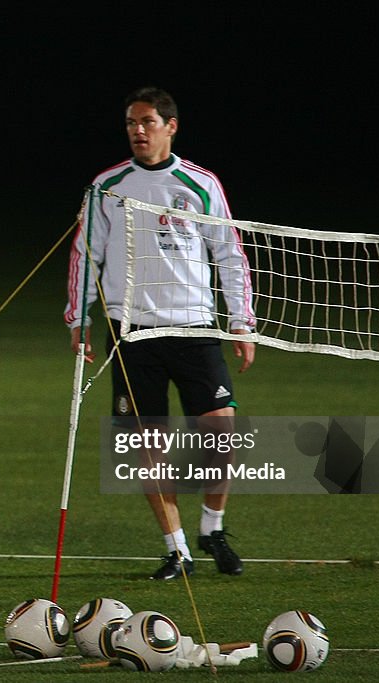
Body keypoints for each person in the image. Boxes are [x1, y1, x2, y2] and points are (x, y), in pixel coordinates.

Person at [64, 87, 255, 580]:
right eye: (131, 123)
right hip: (132, 333)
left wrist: (241, 322)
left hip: (193, 326)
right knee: (145, 446)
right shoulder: (107, 186)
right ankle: (177, 549)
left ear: (171, 126)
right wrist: (78, 320)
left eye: (148, 122)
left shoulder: (201, 183)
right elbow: (87, 255)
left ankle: (212, 529)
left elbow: (229, 253)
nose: (138, 131)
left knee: (221, 433)